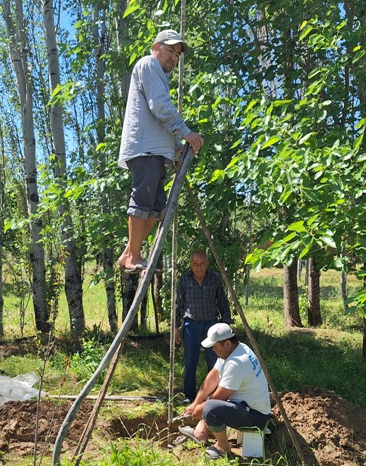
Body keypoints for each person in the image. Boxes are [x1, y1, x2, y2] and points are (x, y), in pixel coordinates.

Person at [117, 29, 204, 273]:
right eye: (170, 51)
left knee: (156, 208)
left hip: (157, 151)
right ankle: (134, 256)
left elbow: (156, 117)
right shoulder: (148, 65)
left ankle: (128, 254)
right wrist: (185, 131)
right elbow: (159, 106)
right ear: (156, 47)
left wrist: (175, 148)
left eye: (177, 55)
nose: (174, 58)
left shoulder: (159, 75)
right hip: (145, 149)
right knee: (143, 201)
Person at [178, 323, 271, 460]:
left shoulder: (236, 363)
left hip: (256, 417)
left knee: (210, 408)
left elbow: (218, 399)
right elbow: (213, 377)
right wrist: (195, 403)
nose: (212, 350)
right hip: (247, 407)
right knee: (209, 404)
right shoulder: (237, 349)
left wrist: (200, 410)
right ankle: (201, 432)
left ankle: (222, 446)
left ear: (227, 344)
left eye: (215, 346)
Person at [175, 251, 231, 404]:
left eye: (202, 264)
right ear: (190, 265)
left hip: (211, 325)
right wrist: (175, 327)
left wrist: (226, 325)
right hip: (190, 326)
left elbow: (222, 302)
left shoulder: (214, 279)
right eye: (195, 264)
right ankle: (189, 395)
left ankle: (214, 395)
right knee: (190, 361)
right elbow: (178, 304)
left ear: (207, 264)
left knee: (215, 361)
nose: (199, 268)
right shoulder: (184, 280)